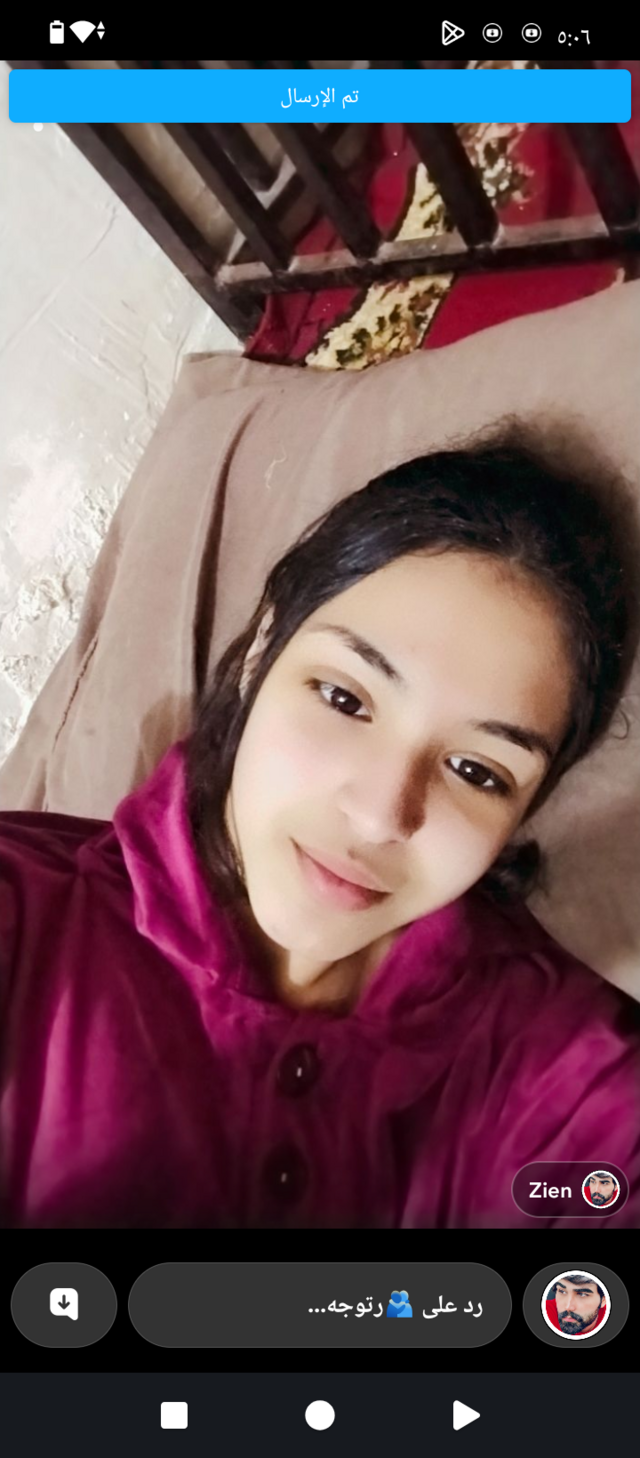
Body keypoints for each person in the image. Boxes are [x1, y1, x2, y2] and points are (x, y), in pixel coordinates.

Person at [1, 427, 640, 1229]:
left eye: (478, 772)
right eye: (345, 699)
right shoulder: (27, 920)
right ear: (263, 648)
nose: (379, 815)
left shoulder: (568, 1074)